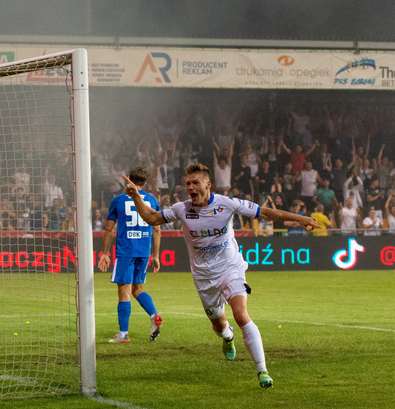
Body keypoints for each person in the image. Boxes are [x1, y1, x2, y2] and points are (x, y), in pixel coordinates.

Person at [122, 162, 316, 389]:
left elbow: (263, 212)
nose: (191, 187)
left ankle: (262, 370)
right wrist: (136, 197)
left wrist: (298, 217)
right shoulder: (182, 208)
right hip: (204, 277)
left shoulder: (227, 204)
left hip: (229, 267)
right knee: (219, 326)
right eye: (188, 184)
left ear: (208, 184)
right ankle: (228, 337)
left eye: (195, 183)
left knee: (241, 315)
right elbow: (153, 218)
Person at [96, 165, 163, 344]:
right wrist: (155, 255)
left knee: (124, 291)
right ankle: (154, 314)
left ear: (129, 180)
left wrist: (104, 253)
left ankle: (123, 334)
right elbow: (157, 230)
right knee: (137, 289)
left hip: (126, 251)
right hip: (143, 251)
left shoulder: (117, 200)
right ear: (145, 183)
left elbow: (109, 229)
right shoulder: (152, 201)